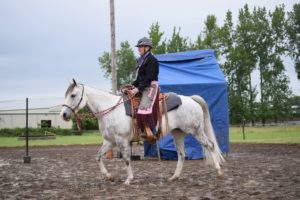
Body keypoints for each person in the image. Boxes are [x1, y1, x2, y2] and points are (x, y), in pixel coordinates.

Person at [127, 37, 159, 142]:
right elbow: (139, 78)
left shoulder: (152, 60)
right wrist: (131, 86)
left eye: (140, 47)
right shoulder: (142, 60)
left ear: (147, 48)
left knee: (143, 108)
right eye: (139, 47)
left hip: (150, 87)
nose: (139, 49)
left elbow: (149, 78)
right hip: (143, 86)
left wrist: (137, 89)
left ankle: (151, 133)